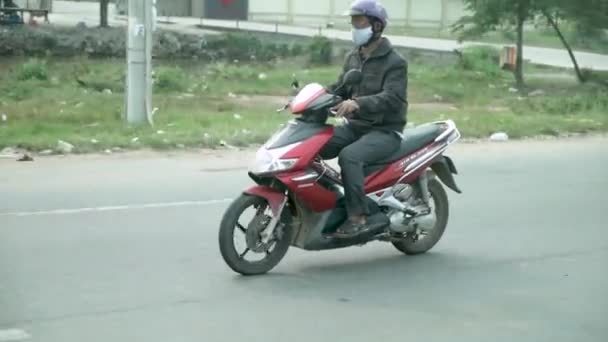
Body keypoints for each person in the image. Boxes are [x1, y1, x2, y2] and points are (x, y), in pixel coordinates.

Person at [320, 0, 408, 238]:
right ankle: (326, 204)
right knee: (315, 143)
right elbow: (340, 87)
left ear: (376, 26)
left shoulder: (395, 61)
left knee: (350, 156)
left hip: (385, 130)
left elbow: (393, 98)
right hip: (355, 125)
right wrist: (312, 98)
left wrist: (358, 103)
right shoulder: (354, 57)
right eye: (352, 22)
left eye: (359, 22)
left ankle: (358, 217)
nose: (354, 27)